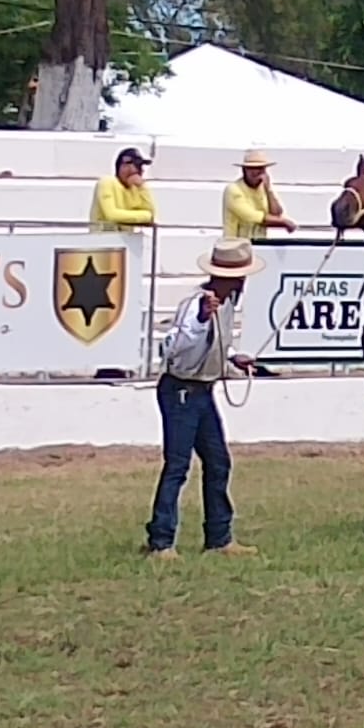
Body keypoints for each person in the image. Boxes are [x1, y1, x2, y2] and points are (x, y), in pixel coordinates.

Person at [142, 238, 265, 560]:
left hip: (201, 389)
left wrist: (232, 358)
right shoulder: (196, 305)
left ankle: (219, 538)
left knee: (218, 461)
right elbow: (175, 348)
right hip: (181, 390)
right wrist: (199, 320)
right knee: (178, 466)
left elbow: (210, 348)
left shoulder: (223, 306)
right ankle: (161, 542)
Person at [223, 149, 298, 240]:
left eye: (260, 168)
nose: (255, 172)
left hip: (259, 243)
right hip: (234, 246)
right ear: (244, 170)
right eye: (251, 168)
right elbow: (252, 216)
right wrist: (284, 222)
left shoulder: (263, 188)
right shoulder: (233, 189)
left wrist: (268, 189)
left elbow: (276, 213)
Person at [90, 147, 156, 233]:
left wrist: (143, 188)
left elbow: (151, 215)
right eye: (138, 166)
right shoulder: (107, 182)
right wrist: (145, 216)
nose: (141, 171)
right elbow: (112, 215)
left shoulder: (135, 189)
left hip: (124, 242)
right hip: (102, 241)